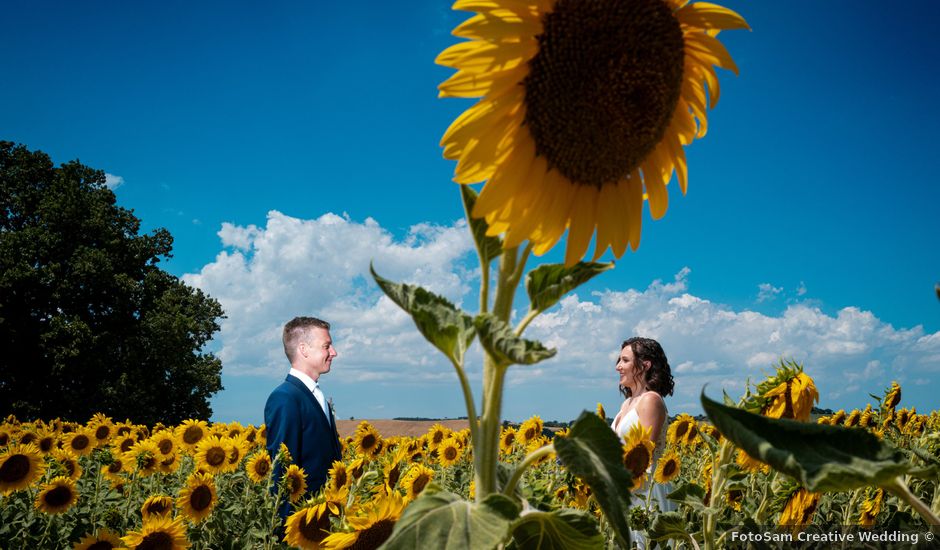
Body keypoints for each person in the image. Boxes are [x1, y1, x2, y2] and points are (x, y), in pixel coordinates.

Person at [264, 316, 342, 524]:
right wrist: (287, 534)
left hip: (325, 519)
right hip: (304, 524)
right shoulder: (285, 398)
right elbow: (282, 473)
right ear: (304, 349)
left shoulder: (315, 395)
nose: (333, 352)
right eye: (327, 346)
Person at [610, 336, 677, 548]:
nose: (618, 366)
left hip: (645, 492)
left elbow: (643, 456)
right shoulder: (627, 404)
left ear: (645, 365)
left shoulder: (651, 400)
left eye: (625, 360)